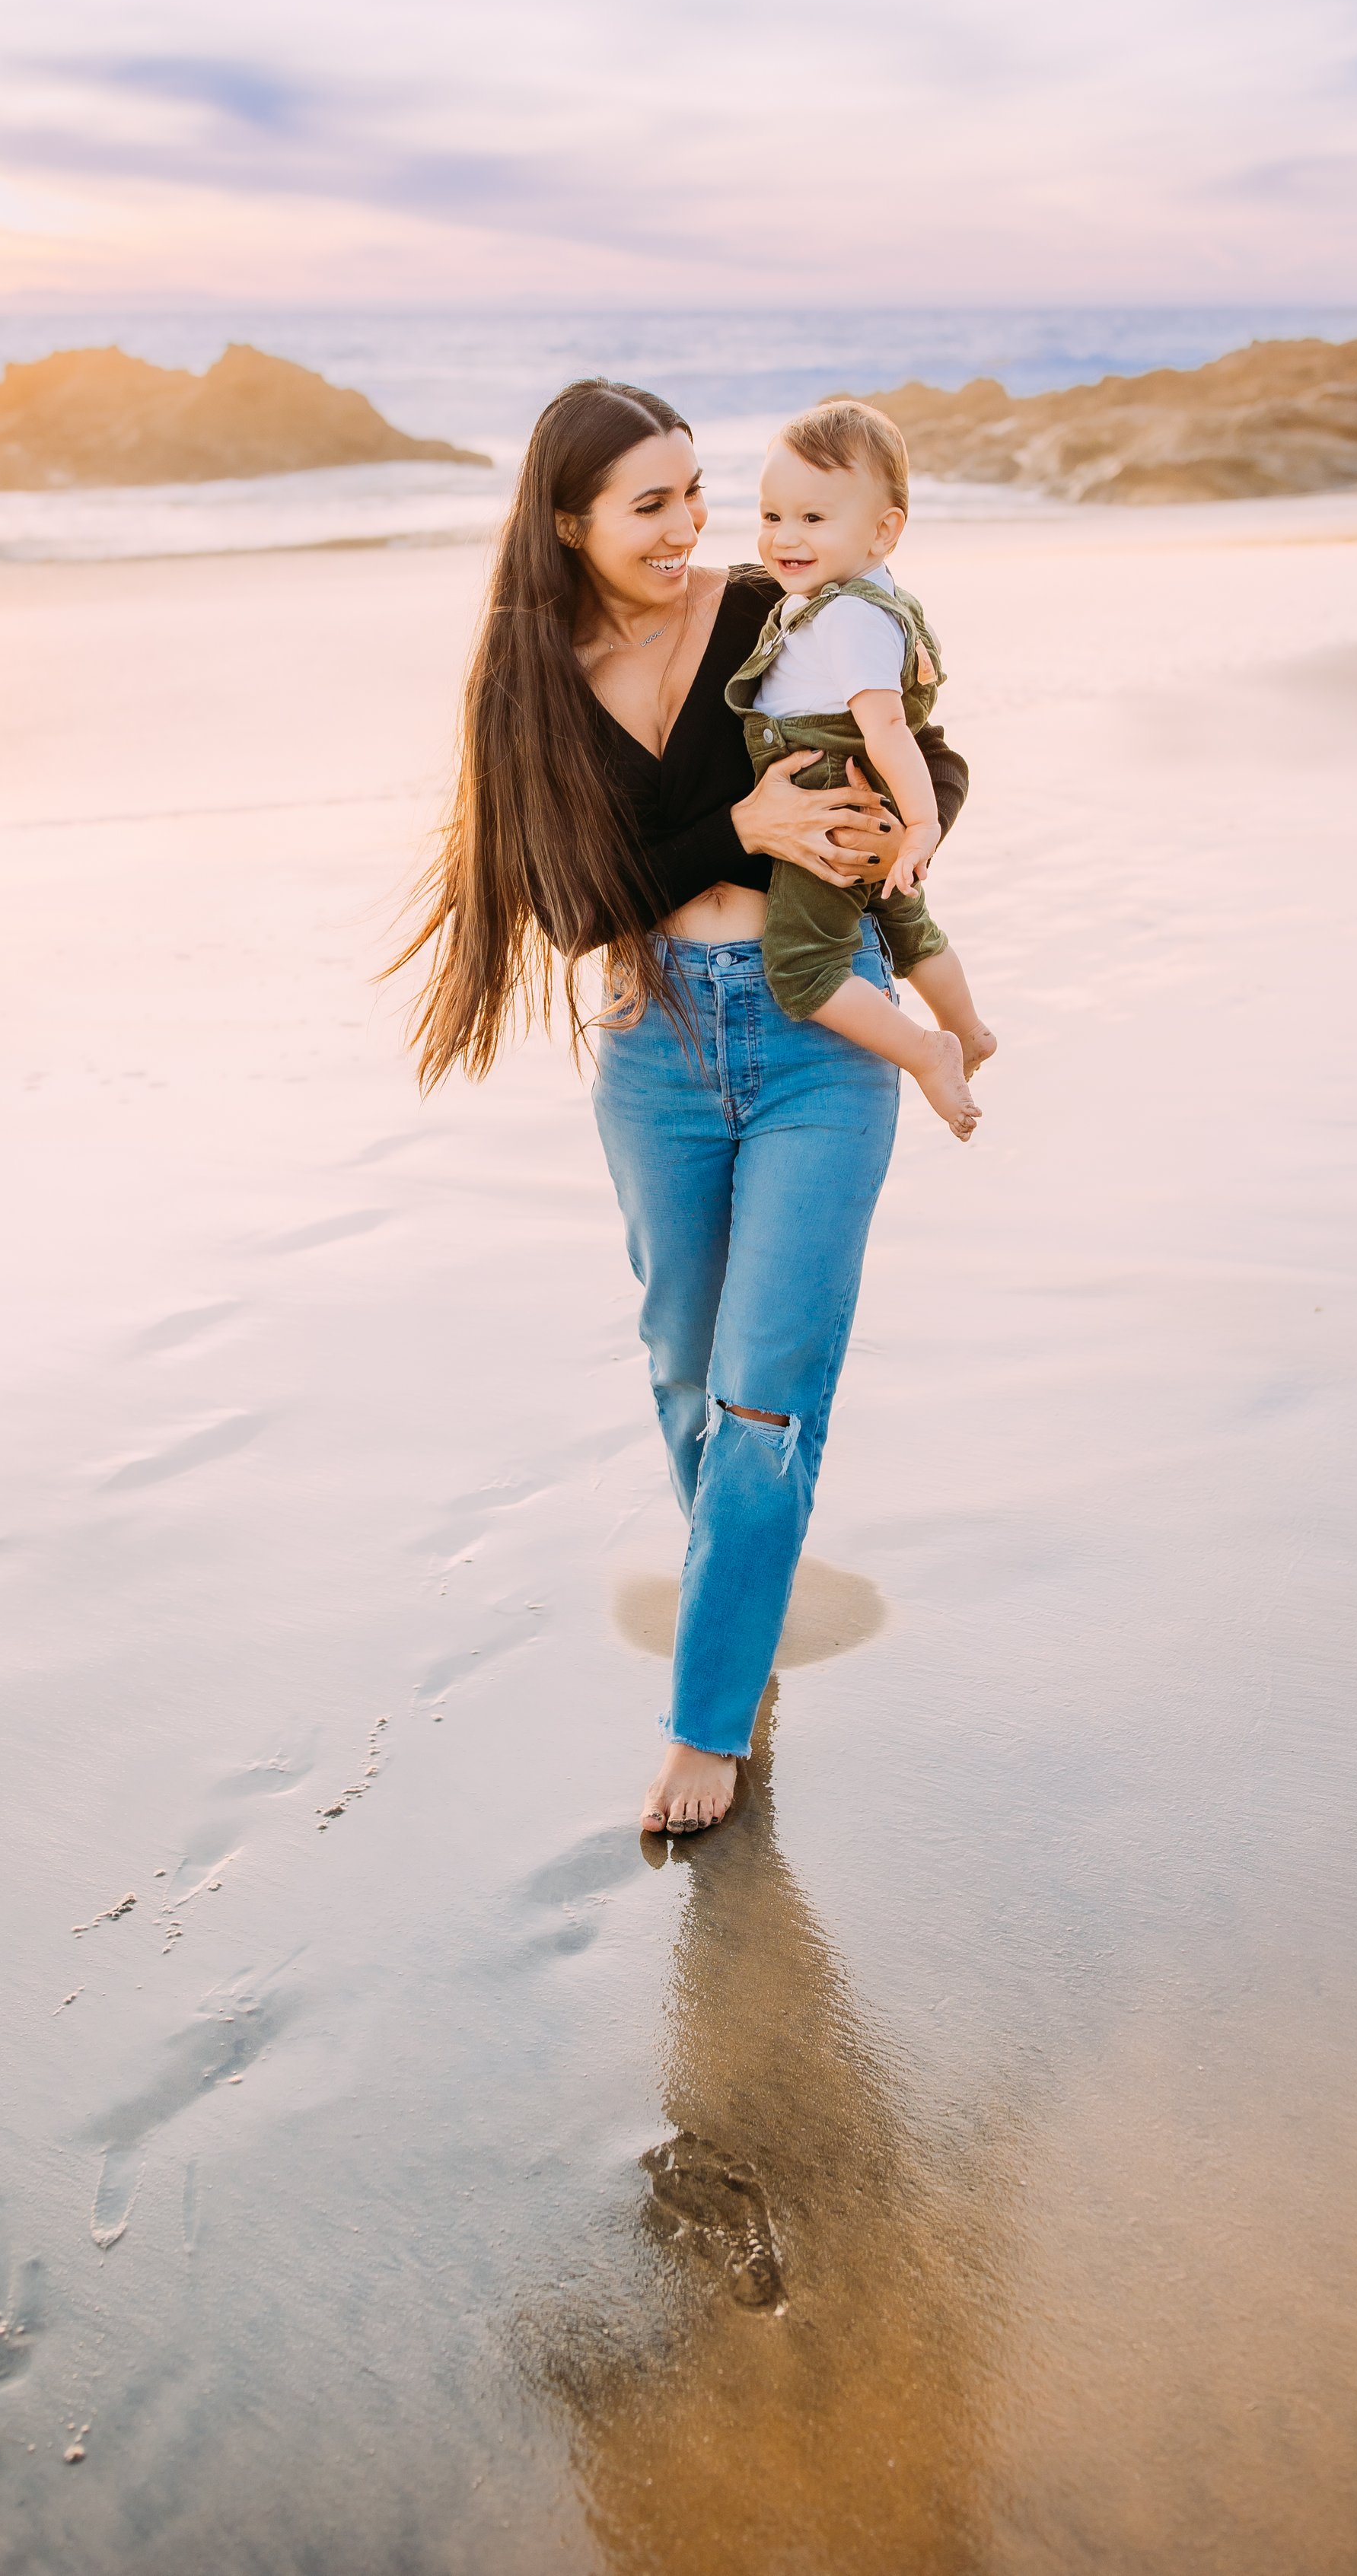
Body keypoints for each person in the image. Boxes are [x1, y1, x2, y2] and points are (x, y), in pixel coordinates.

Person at [393, 379, 968, 1836]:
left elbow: (922, 741)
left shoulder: (766, 614)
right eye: (651, 503)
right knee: (682, 1375)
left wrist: (904, 821)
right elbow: (574, 907)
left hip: (814, 1038)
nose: (691, 526)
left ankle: (711, 1720)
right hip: (653, 1053)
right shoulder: (526, 684)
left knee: (764, 1399)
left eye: (694, 491)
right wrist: (742, 826)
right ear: (570, 520)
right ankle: (746, 1598)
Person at [731, 400, 995, 1138]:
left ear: (884, 530)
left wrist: (919, 825)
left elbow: (887, 731)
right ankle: (968, 1027)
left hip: (825, 800)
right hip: (861, 796)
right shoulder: (871, 598)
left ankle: (926, 1051)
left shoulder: (846, 617)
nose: (784, 537)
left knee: (800, 968)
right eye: (771, 515)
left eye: (813, 519)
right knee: (907, 925)